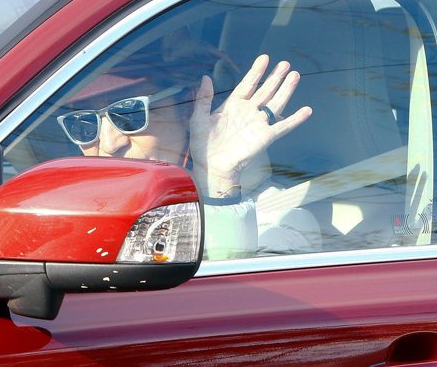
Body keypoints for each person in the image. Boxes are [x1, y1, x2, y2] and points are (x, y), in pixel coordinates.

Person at [56, 33, 321, 260]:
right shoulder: (65, 211)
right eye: (83, 122)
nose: (109, 144)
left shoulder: (283, 222)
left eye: (129, 113)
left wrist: (218, 182)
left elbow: (224, 299)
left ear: (187, 107)